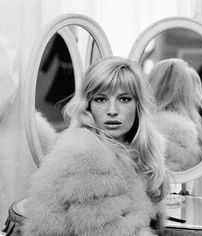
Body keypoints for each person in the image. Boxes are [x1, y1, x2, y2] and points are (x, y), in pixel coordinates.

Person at [22, 56, 168, 236]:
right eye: (100, 99)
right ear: (88, 106)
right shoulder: (85, 154)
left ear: (138, 105)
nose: (112, 110)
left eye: (124, 99)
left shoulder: (129, 150)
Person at [148, 58, 202, 172]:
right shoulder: (181, 131)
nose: (198, 99)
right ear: (185, 95)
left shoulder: (145, 127)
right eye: (194, 91)